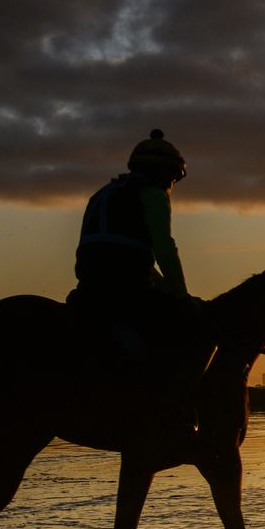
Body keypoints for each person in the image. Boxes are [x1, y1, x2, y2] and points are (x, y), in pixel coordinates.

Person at [68, 129, 213, 452]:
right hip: (125, 288)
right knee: (186, 327)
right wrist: (181, 295)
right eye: (174, 178)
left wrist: (162, 286)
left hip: (90, 285)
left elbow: (131, 256)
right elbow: (163, 247)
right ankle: (171, 411)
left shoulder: (101, 194)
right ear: (166, 173)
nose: (173, 185)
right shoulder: (153, 195)